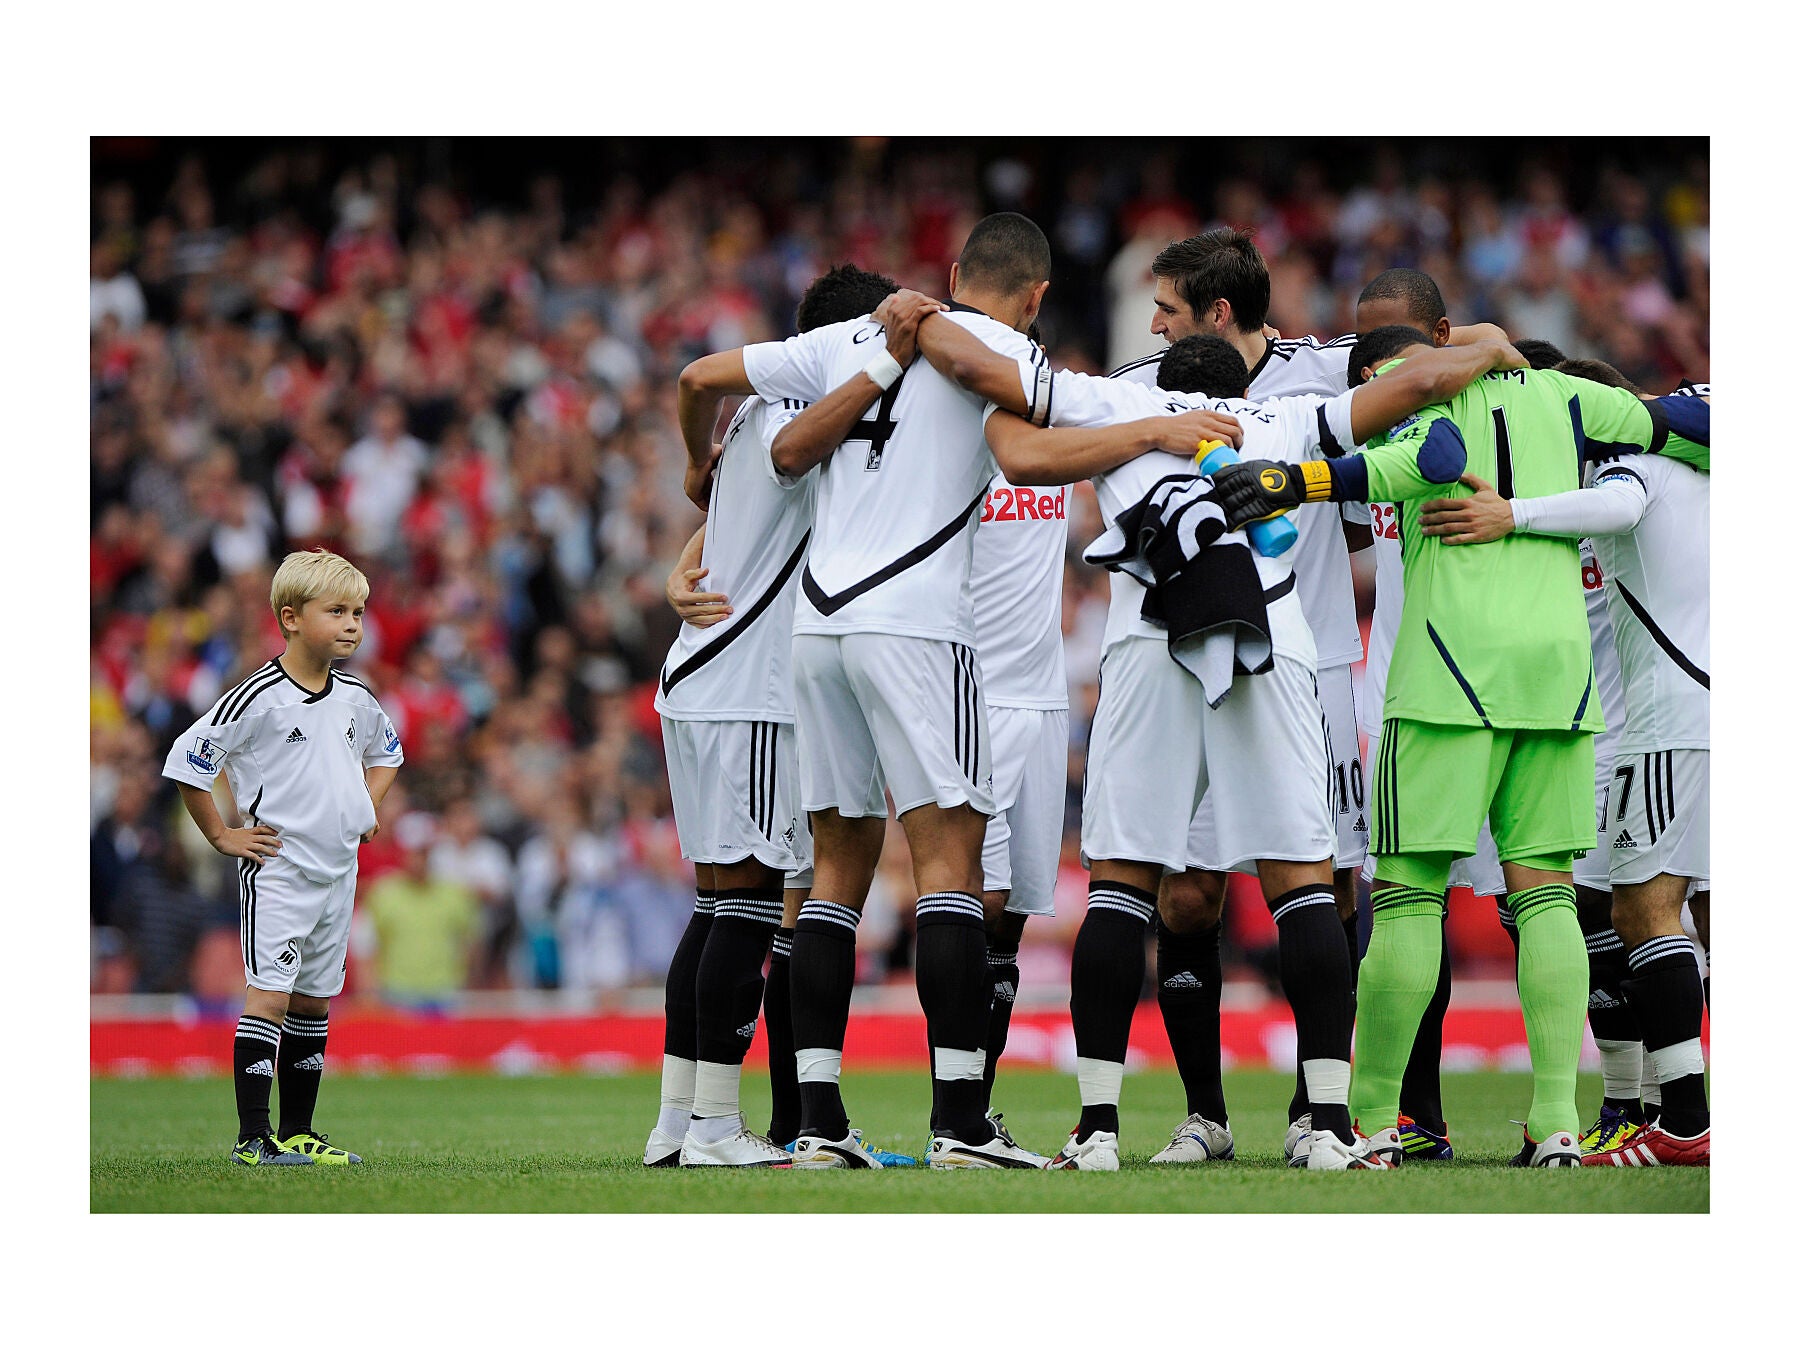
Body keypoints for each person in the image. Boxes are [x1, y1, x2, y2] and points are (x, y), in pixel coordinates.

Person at [901, 296, 1526, 1169]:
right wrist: (1490, 346)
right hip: (1271, 637)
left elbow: (1009, 428)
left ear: (1167, 376)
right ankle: (1329, 1127)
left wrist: (919, 320)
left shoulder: (1120, 404)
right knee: (1305, 883)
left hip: (1147, 644)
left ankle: (1098, 1129)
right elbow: (1420, 382)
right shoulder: (1290, 416)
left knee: (1121, 886)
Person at [679, 214, 1243, 1169]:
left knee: (834, 872)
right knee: (950, 867)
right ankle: (960, 1125)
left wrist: (699, 475)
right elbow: (1032, 444)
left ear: (951, 272)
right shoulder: (1006, 356)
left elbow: (705, 380)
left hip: (818, 628)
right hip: (915, 621)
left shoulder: (844, 341)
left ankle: (817, 1122)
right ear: (1035, 298)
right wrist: (1159, 426)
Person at [1208, 325, 1710, 1167]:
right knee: (1547, 899)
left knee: (1409, 899)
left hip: (1448, 675)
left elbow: (1419, 460)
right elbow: (1672, 426)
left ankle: (1372, 1120)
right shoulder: (1572, 397)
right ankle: (1556, 1122)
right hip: (1557, 680)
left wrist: (1297, 480)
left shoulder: (1425, 392)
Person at [1106, 229, 1368, 1164]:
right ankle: (1205, 1116)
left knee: (1328, 884)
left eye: (1167, 309)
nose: (1153, 327)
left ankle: (1316, 1111)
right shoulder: (1142, 388)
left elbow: (1434, 354)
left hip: (1312, 660)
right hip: (1186, 664)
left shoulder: (1322, 373)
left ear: (1218, 313)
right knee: (1187, 896)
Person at [1413, 360, 1710, 1167]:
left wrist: (1511, 514)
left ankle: (1669, 1115)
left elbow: (1619, 500)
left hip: (1653, 723)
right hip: (1628, 722)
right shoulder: (1693, 473)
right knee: (1680, 916)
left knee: (1631, 913)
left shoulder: (1628, 475)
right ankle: (1653, 1109)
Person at [648, 264, 906, 1169]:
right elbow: (792, 463)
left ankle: (678, 1121)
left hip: (701, 680)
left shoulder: (752, 413)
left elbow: (741, 510)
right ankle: (718, 1128)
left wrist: (691, 496)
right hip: (749, 691)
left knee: (716, 905)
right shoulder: (810, 414)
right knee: (754, 905)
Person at [1341, 268, 1517, 1163]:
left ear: (1442, 339)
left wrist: (1458, 355)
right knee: (1408, 911)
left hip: (1499, 688)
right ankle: (1415, 1113)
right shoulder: (1369, 419)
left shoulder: (1495, 408)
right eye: (1362, 347)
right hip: (1400, 699)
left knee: (1537, 901)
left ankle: (1609, 1105)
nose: (1375, 368)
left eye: (1394, 345)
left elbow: (1503, 347)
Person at [162, 548, 404, 1165]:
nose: (353, 624)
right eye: (337, 611)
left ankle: (298, 1132)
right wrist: (223, 835)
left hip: (339, 871)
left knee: (315, 1002)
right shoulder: (257, 698)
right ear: (290, 618)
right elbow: (189, 763)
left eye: (358, 612)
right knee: (269, 997)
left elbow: (387, 754)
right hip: (280, 870)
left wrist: (365, 805)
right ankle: (252, 1139)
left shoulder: (357, 697)